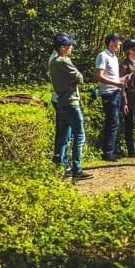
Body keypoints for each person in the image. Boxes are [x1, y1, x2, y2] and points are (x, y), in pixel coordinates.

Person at [49, 33, 92, 180]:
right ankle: (77, 168)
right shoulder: (63, 61)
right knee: (79, 135)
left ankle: (61, 168)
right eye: (69, 46)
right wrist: (75, 78)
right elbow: (80, 77)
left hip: (61, 101)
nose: (71, 48)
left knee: (63, 137)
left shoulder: (53, 62)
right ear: (62, 48)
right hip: (71, 102)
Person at [95, 32, 130, 162]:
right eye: (118, 41)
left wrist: (121, 79)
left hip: (116, 92)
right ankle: (108, 152)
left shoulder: (114, 57)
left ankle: (112, 151)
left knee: (115, 122)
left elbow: (110, 76)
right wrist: (116, 83)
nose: (120, 44)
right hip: (108, 93)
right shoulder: (102, 56)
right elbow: (99, 76)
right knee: (112, 122)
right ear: (111, 42)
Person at [49, 32, 73, 166]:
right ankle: (61, 159)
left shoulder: (59, 57)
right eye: (68, 44)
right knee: (64, 131)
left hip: (60, 97)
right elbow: (75, 77)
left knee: (65, 130)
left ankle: (61, 158)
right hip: (62, 98)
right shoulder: (58, 59)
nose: (71, 47)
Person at [118, 39, 135, 158]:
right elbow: (122, 85)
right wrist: (125, 102)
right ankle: (131, 150)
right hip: (131, 97)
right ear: (130, 50)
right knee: (130, 124)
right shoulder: (124, 65)